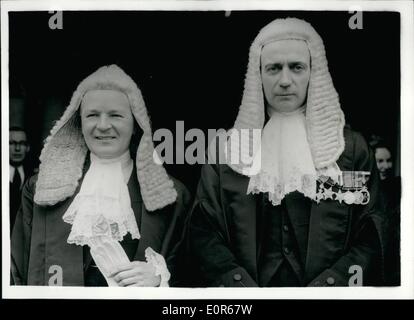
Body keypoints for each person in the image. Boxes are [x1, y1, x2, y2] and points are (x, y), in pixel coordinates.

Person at [187, 18, 388, 287]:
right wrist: (239, 287)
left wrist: (331, 283)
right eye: (273, 68)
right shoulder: (226, 153)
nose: (285, 81)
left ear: (313, 73)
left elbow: (371, 233)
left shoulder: (350, 149)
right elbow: (204, 231)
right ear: (258, 75)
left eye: (296, 67)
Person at [11, 65, 191, 287]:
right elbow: (15, 272)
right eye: (92, 115)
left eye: (116, 115)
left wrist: (162, 278)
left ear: (136, 125)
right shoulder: (39, 189)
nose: (103, 126)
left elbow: (194, 268)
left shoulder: (175, 197)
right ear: (79, 123)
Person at [9, 126, 32, 233]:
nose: (17, 148)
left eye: (22, 143)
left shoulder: (34, 175)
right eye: (11, 143)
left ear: (28, 148)